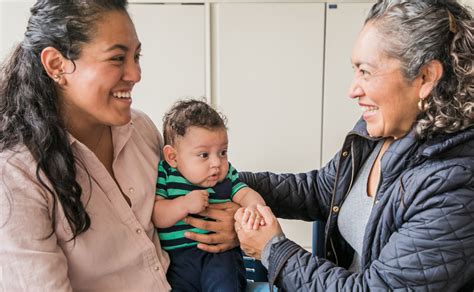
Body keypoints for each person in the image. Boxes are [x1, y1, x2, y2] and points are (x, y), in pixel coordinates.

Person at [234, 0, 474, 291]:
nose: (352, 90)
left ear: (425, 78)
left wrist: (272, 250)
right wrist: (230, 183)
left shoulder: (456, 188)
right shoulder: (380, 131)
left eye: (366, 71)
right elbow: (321, 190)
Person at [0, 1, 238, 290]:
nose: (136, 74)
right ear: (56, 65)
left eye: (136, 56)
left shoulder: (141, 130)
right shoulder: (15, 175)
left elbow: (190, 187)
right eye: (117, 59)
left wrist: (229, 224)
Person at [153, 99, 266, 291]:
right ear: (173, 157)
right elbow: (156, 216)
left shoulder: (226, 175)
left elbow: (245, 193)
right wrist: (184, 205)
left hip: (220, 256)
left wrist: (255, 209)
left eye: (223, 152)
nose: (217, 163)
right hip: (177, 262)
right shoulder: (166, 173)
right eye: (204, 155)